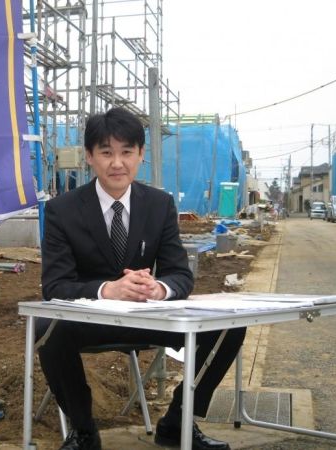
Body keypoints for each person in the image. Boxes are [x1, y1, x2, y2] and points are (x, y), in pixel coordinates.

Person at [37, 107, 246, 450]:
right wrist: (108, 290)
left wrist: (159, 288)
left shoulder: (159, 205)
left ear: (140, 155)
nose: (117, 163)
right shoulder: (63, 209)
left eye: (127, 152)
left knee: (229, 327)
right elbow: (55, 286)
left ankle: (177, 422)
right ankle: (83, 430)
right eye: (106, 152)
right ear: (89, 156)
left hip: (149, 315)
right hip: (90, 320)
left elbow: (180, 273)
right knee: (46, 328)